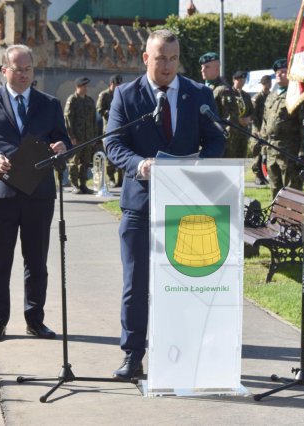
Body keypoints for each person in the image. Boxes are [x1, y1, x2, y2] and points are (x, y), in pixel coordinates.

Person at [104, 29, 225, 380]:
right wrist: (139, 164)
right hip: (140, 205)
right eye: (160, 58)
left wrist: (200, 166)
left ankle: (182, 355)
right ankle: (132, 356)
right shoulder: (126, 96)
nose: (168, 65)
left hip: (187, 207)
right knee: (136, 285)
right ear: (146, 58)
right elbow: (114, 144)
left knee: (184, 285)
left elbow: (216, 139)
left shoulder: (198, 94)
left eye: (173, 58)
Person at [0, 44, 71, 342]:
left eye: (28, 69)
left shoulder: (49, 104)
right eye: (18, 69)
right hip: (0, 195)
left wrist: (62, 147)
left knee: (36, 261)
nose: (24, 75)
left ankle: (35, 320)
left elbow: (62, 139)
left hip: (39, 194)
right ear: (4, 71)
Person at [261, 58, 304, 199]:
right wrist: (263, 150)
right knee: (275, 188)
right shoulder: (271, 97)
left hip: (289, 150)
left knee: (291, 190)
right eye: (277, 72)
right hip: (271, 148)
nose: (279, 75)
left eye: (283, 72)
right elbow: (265, 123)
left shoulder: (297, 97)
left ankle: (292, 221)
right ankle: (277, 220)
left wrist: (302, 153)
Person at [199, 51, 239, 154]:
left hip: (217, 145)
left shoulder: (223, 90)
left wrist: (223, 143)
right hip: (204, 141)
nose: (202, 70)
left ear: (217, 69)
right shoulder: (201, 88)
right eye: (202, 67)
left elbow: (230, 120)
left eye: (207, 67)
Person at [65, 76, 99, 194]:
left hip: (88, 137)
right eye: (83, 86)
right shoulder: (72, 100)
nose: (86, 88)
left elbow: (93, 120)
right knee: (74, 162)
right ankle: (74, 184)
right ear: (77, 87)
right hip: (77, 138)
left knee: (85, 162)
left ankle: (83, 184)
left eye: (86, 86)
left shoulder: (89, 101)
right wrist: (71, 136)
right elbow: (68, 120)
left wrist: (94, 136)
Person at [97, 74, 124, 187]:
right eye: (115, 84)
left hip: (121, 130)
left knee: (122, 154)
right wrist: (112, 113)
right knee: (110, 156)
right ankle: (111, 178)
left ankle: (120, 180)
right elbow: (99, 109)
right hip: (108, 129)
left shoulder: (122, 94)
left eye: (119, 84)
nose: (117, 87)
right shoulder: (104, 95)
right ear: (111, 84)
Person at [250, 75, 272, 185]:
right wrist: (257, 130)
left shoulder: (272, 96)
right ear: (263, 83)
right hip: (258, 130)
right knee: (257, 153)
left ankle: (266, 175)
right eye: (267, 82)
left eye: (270, 82)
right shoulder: (257, 98)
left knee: (266, 153)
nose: (270, 84)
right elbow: (253, 116)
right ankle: (258, 176)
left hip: (267, 129)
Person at [228, 70, 253, 158]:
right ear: (233, 80)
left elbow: (251, 111)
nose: (242, 81)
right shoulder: (228, 93)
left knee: (241, 156)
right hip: (232, 131)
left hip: (243, 131)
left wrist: (247, 119)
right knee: (230, 156)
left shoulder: (246, 95)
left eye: (243, 79)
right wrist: (238, 119)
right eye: (239, 79)